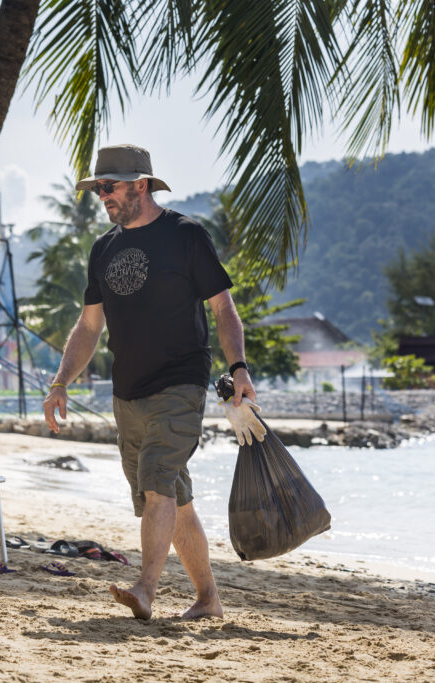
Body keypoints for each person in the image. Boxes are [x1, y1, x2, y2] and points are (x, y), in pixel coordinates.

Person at [42, 143, 265, 621]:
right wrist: (61, 382)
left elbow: (224, 309)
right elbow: (88, 326)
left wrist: (240, 368)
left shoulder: (185, 235)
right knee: (170, 499)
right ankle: (208, 599)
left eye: (110, 187)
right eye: (98, 188)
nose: (102, 196)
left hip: (180, 384)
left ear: (140, 185)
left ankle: (146, 588)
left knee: (159, 483)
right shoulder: (103, 248)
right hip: (128, 394)